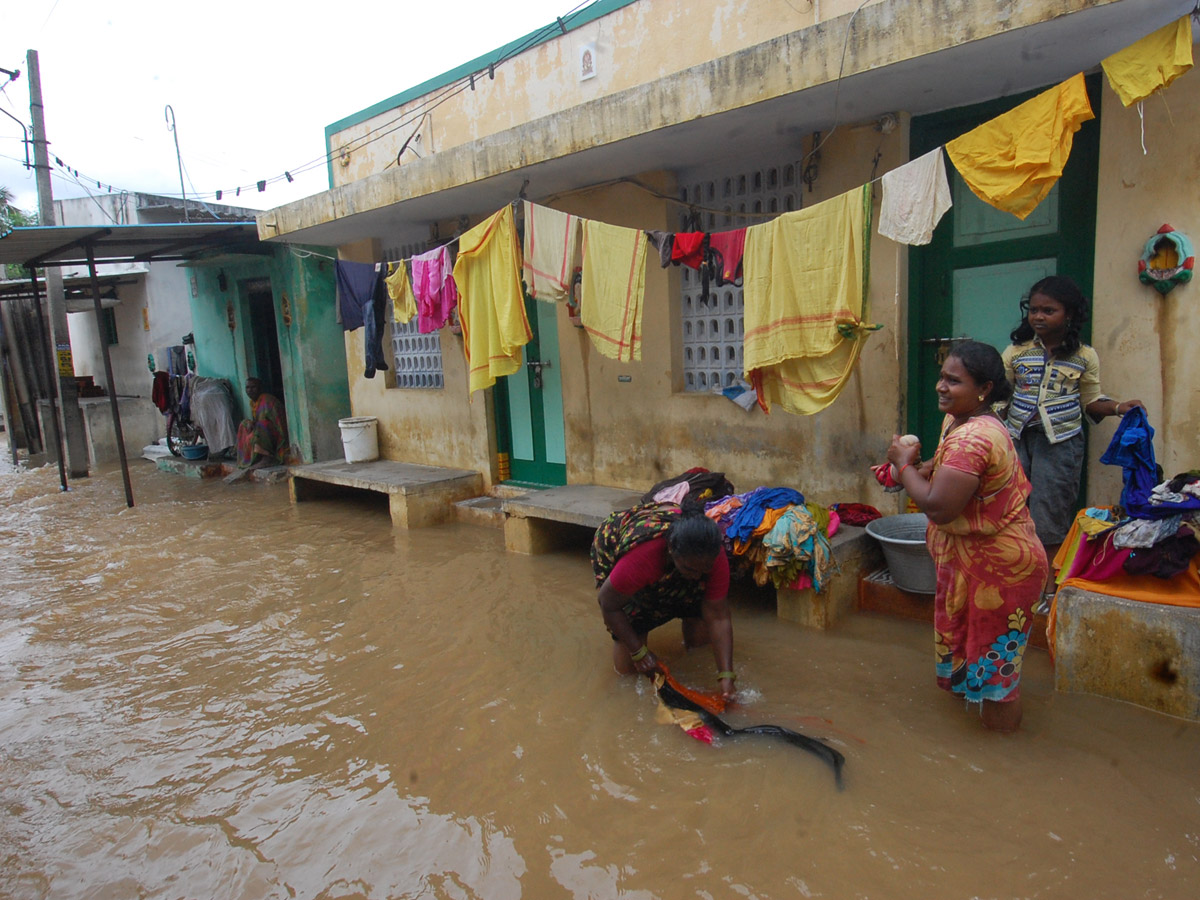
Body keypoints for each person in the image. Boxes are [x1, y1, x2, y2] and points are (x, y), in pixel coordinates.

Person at [887, 341, 1048, 733]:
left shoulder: (974, 437)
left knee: (996, 682)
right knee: (975, 664)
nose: (941, 386)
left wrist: (904, 466)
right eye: (942, 377)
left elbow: (940, 507)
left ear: (985, 389)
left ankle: (1003, 763)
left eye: (954, 381)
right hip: (976, 567)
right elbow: (948, 473)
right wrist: (916, 468)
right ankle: (975, 747)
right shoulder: (957, 423)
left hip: (999, 573)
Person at [1001, 276, 1143, 596]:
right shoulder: (1016, 351)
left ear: (1069, 314)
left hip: (1060, 442)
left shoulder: (1084, 356)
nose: (1038, 316)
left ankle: (1048, 590)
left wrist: (1120, 407)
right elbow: (999, 394)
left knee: (1049, 516)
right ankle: (1014, 581)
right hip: (1016, 438)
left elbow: (1090, 400)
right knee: (1008, 509)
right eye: (1033, 310)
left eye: (1048, 310)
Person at [591, 501, 737, 700]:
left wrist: (726, 675)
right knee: (628, 671)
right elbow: (608, 604)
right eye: (690, 570)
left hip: (673, 563)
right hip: (615, 544)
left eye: (703, 571)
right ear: (671, 551)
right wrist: (639, 652)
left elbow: (718, 616)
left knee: (700, 634)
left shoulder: (713, 557)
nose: (696, 577)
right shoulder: (643, 558)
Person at [235, 377, 288, 470]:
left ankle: (268, 457)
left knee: (261, 425)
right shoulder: (254, 402)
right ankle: (250, 457)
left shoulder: (267, 400)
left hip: (277, 434)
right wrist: (250, 423)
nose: (250, 390)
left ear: (260, 388)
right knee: (244, 424)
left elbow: (277, 423)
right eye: (247, 387)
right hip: (263, 432)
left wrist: (256, 424)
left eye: (253, 387)